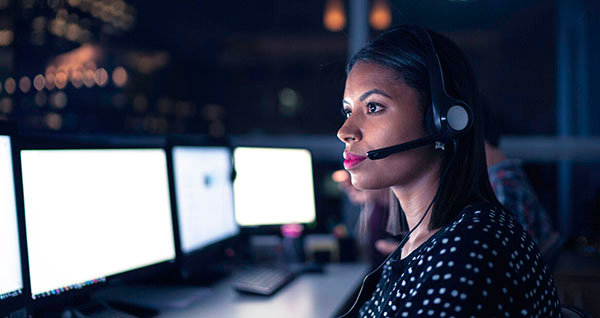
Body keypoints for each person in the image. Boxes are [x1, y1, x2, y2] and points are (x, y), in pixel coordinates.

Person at [336, 25, 560, 317]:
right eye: (348, 110)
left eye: (374, 107)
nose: (345, 131)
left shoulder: (471, 248)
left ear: (441, 121)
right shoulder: (422, 240)